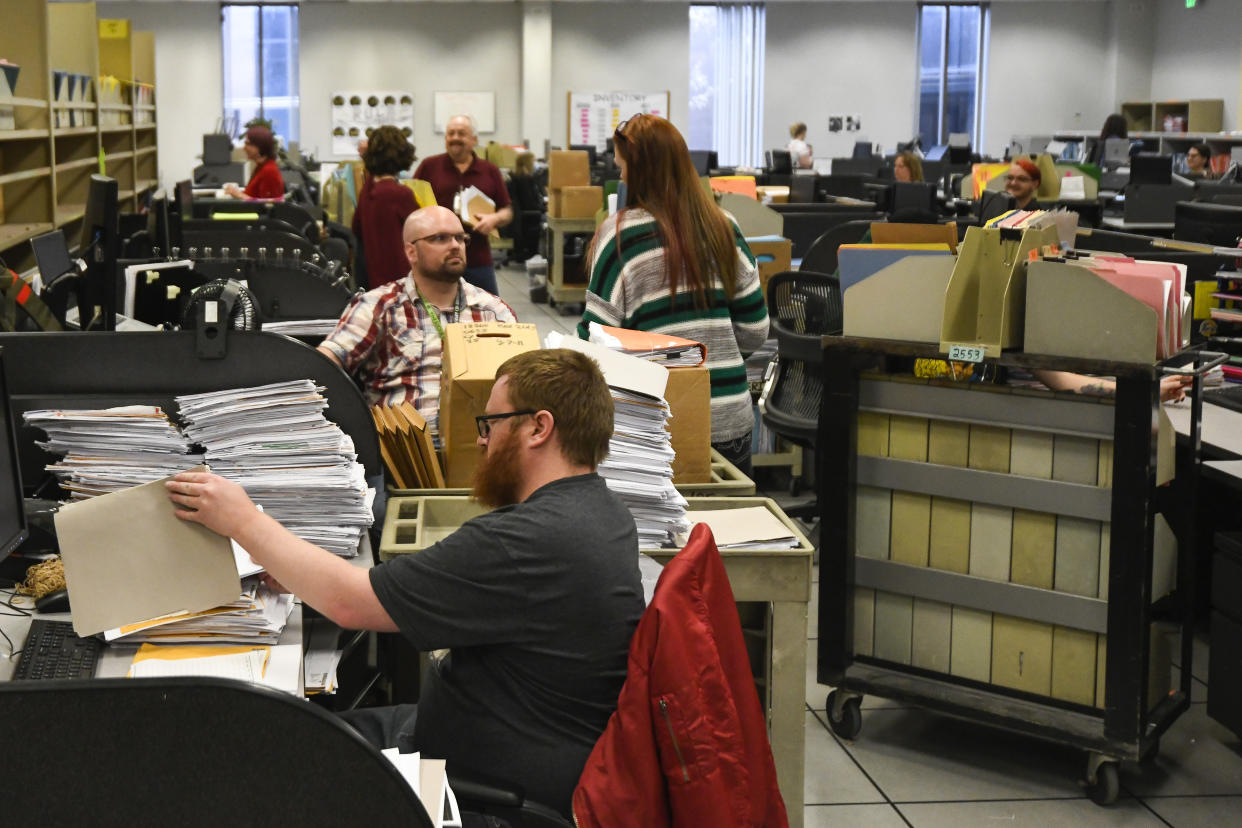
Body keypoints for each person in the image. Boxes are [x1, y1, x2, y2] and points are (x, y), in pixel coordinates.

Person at [166, 348, 645, 819]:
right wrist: (290, 563)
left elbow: (353, 605)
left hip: (479, 792)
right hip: (483, 748)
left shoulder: (527, 539)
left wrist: (243, 521)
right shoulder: (602, 512)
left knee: (267, 761)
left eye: (491, 424)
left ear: (539, 427)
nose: (482, 442)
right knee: (302, 732)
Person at [577, 114, 769, 476]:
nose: (620, 176)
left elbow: (595, 339)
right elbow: (756, 329)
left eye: (622, 167)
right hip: (729, 417)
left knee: (653, 531)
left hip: (655, 421)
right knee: (720, 530)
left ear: (641, 170)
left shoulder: (621, 237)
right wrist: (708, 356)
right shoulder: (725, 226)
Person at [318, 205, 516, 426]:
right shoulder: (379, 306)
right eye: (440, 238)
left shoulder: (493, 311)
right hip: (402, 451)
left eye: (460, 238)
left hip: (475, 443)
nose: (454, 246)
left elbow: (523, 384)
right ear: (411, 252)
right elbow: (323, 364)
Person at [413, 115, 513, 296]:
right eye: (451, 133)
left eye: (461, 133)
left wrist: (495, 218)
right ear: (445, 139)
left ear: (474, 140)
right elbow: (411, 206)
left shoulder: (489, 171)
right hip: (436, 261)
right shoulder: (429, 167)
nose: (455, 138)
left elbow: (507, 211)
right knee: (434, 314)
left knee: (489, 313)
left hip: (477, 259)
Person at [353, 125, 418, 289]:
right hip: (401, 280)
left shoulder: (368, 190)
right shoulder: (401, 194)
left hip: (372, 279)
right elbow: (423, 233)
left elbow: (356, 227)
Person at [223, 125, 284, 200]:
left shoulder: (269, 171)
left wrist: (238, 195)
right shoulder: (262, 166)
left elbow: (268, 205)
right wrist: (237, 192)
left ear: (260, 146)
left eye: (248, 144)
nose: (244, 148)